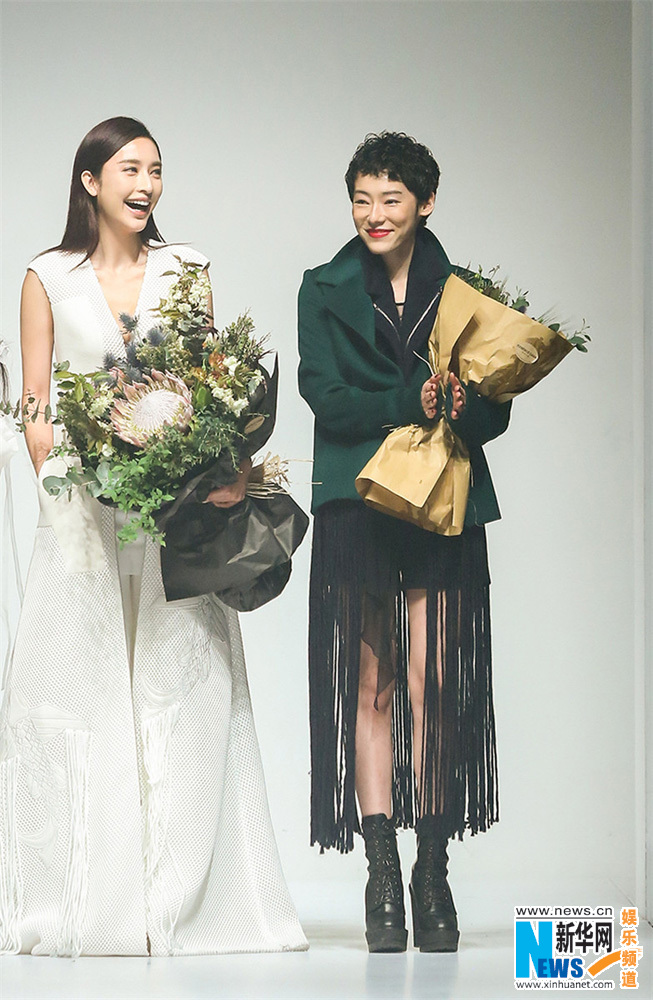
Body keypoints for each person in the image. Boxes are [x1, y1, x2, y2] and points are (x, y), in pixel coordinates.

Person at [0, 116, 308, 957]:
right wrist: (62, 476)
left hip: (173, 511)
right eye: (130, 169)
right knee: (81, 685)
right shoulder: (47, 276)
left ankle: (185, 902)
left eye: (156, 170)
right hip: (82, 512)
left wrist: (219, 466)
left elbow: (207, 388)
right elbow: (35, 401)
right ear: (90, 181)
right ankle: (85, 901)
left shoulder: (186, 269)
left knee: (185, 684)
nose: (146, 185)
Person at [297, 132, 511, 953]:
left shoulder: (463, 293)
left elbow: (493, 415)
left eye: (390, 198)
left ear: (425, 203)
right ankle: (380, 872)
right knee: (373, 685)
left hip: (440, 500)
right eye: (361, 198)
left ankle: (432, 869)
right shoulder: (322, 287)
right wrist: (406, 399)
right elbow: (324, 397)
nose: (374, 214)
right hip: (357, 500)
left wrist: (461, 401)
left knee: (433, 682)